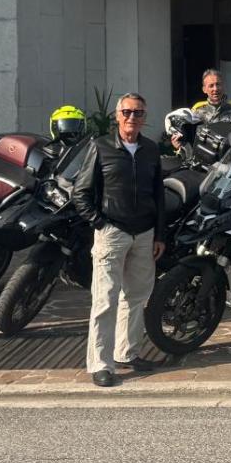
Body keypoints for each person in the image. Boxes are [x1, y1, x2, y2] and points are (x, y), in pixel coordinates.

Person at [70, 92, 167, 387]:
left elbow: (159, 195)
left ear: (145, 117)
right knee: (105, 299)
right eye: (127, 112)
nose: (132, 118)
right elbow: (80, 192)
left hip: (144, 234)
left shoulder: (150, 150)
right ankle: (100, 363)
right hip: (112, 232)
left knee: (136, 297)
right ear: (117, 115)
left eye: (138, 113)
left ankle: (127, 352)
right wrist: (101, 224)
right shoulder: (101, 147)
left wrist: (159, 234)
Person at [170, 69, 231, 150]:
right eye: (211, 86)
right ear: (204, 89)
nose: (215, 89)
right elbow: (190, 141)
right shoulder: (197, 110)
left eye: (218, 84)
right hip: (204, 158)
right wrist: (180, 145)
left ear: (223, 86)